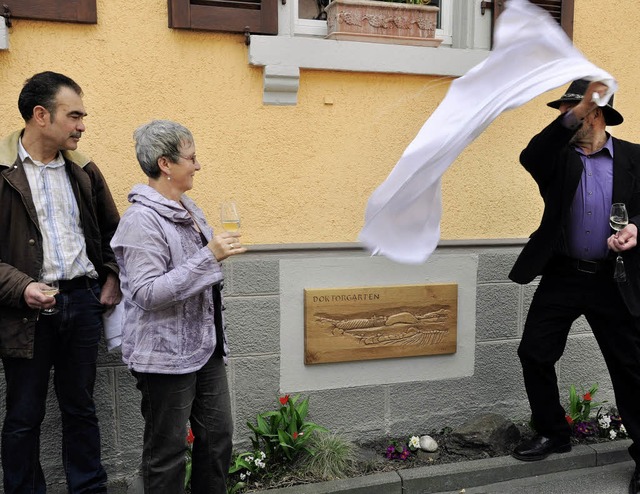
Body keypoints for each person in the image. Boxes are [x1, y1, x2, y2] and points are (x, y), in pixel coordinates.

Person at [509, 79, 640, 494]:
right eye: (565, 110)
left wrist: (637, 228)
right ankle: (553, 431)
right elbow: (531, 153)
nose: (565, 117)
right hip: (564, 273)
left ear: (596, 115)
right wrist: (577, 107)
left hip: (614, 279)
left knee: (631, 369)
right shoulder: (557, 159)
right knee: (534, 351)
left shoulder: (635, 158)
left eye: (575, 111)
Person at [0, 71, 121, 493]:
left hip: (83, 302)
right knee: (23, 415)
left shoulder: (84, 169)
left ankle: (88, 489)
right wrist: (22, 287)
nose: (82, 125)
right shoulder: (2, 171)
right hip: (24, 311)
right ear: (40, 115)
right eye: (74, 115)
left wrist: (111, 277)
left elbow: (112, 233)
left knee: (82, 409)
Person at [110, 120, 245, 493]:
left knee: (218, 440)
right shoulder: (141, 220)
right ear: (165, 164)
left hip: (206, 347)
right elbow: (146, 293)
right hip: (164, 357)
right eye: (192, 158)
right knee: (167, 453)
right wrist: (208, 258)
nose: (198, 166)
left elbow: (196, 270)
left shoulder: (188, 208)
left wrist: (212, 257)